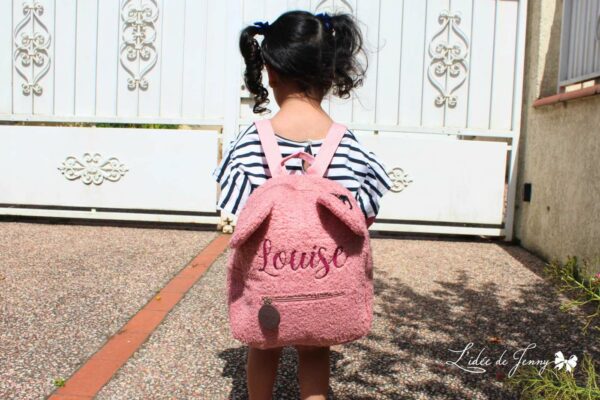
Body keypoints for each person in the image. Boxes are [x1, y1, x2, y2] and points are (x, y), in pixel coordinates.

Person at [212, 10, 392, 400]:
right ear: (330, 73)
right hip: (325, 288)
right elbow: (363, 217)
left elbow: (236, 214)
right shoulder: (350, 147)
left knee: (263, 347)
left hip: (268, 290)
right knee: (314, 350)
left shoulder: (249, 144)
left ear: (270, 71)